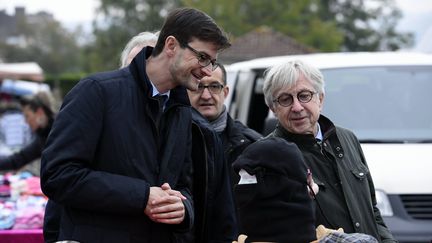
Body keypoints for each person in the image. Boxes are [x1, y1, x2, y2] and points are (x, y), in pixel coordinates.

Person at [40, 7, 230, 243]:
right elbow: (58, 175)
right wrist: (142, 196)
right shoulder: (97, 92)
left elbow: (182, 185)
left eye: (212, 62)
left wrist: (183, 210)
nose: (207, 71)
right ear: (171, 45)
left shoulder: (181, 111)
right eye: (202, 57)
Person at [119, 31, 237, 242]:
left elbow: (217, 213)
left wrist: (183, 209)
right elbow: (66, 178)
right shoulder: (103, 115)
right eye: (134, 70)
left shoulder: (200, 133)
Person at [262, 60, 396, 242]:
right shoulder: (267, 155)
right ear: (273, 109)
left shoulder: (347, 139)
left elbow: (371, 210)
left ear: (321, 99)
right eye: (285, 99)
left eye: (304, 95)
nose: (297, 107)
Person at [187, 64, 262, 187]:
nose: (206, 96)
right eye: (199, 87)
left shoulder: (252, 145)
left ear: (225, 92)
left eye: (214, 86)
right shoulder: (171, 138)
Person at [0, 91, 55, 175]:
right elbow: (19, 159)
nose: (25, 121)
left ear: (39, 112)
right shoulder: (43, 135)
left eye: (27, 116)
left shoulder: (57, 133)